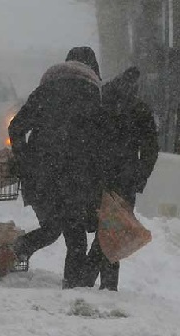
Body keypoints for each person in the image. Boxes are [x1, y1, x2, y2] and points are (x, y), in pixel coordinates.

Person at [8, 46, 107, 289]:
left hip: (41, 173)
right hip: (75, 175)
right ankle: (72, 288)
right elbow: (101, 142)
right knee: (74, 236)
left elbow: (16, 128)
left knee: (53, 226)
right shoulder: (93, 95)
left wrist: (25, 161)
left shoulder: (45, 91)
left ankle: (14, 252)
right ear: (93, 69)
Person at [85, 66, 159, 291]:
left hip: (98, 177)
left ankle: (90, 280)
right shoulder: (139, 109)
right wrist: (140, 175)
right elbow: (150, 149)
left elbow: (86, 141)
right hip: (124, 179)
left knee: (106, 230)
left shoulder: (99, 105)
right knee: (114, 231)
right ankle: (99, 282)